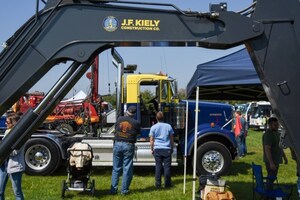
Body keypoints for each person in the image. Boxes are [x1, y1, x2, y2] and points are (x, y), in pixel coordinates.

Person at [110, 106, 141, 195]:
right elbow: (138, 133)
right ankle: (124, 190)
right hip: (128, 144)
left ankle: (113, 190)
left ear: (127, 112)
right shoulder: (136, 122)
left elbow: (116, 129)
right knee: (127, 168)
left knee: (116, 168)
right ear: (134, 114)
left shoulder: (119, 119)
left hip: (117, 143)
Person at [0, 113, 25, 200]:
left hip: (15, 166)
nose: (5, 123)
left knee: (17, 192)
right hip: (4, 166)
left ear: (13, 123)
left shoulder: (21, 135)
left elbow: (15, 152)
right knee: (0, 191)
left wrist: (3, 151)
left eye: (7, 122)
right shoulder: (7, 132)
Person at [149, 111, 174, 188]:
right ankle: (167, 184)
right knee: (167, 167)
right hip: (167, 149)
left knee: (158, 167)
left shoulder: (153, 127)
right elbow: (171, 139)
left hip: (158, 149)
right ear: (164, 118)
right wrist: (172, 147)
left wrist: (152, 149)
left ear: (156, 118)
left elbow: (151, 140)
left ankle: (158, 184)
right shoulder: (168, 126)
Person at [262, 117, 288, 190]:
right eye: (274, 125)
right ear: (269, 125)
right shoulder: (268, 134)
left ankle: (268, 192)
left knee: (272, 178)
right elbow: (267, 149)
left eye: (277, 124)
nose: (277, 126)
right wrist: (271, 163)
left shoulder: (276, 133)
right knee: (271, 178)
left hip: (276, 160)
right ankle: (268, 194)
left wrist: (284, 157)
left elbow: (279, 146)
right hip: (271, 161)